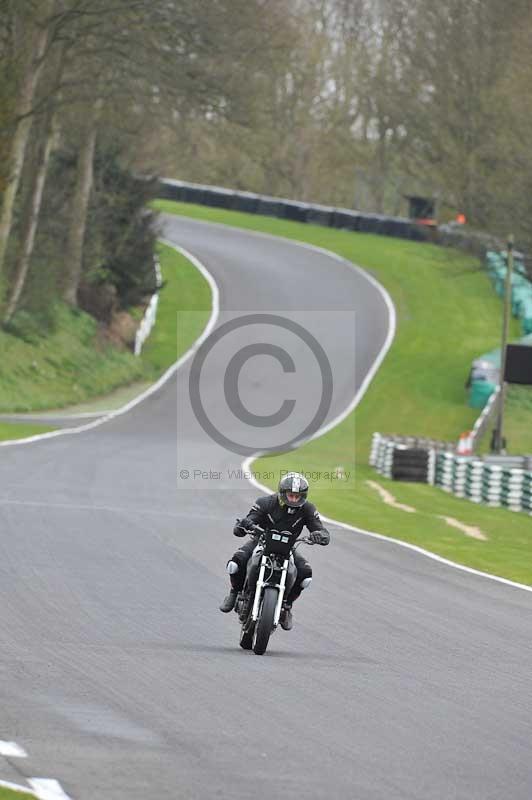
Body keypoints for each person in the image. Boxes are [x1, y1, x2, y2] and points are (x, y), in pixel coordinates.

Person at [219, 472, 330, 631]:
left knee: (306, 575)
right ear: (282, 493)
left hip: (287, 549)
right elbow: (250, 518)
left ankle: (286, 607)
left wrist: (320, 535)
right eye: (291, 495)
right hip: (261, 542)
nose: (294, 499)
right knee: (235, 564)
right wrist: (244, 525)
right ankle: (234, 592)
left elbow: (320, 529)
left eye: (297, 496)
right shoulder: (266, 502)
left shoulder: (308, 509)